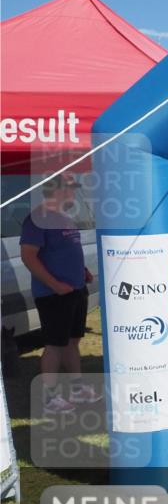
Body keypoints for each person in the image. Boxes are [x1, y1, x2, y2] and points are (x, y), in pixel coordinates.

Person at [19, 173, 98, 414]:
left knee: (72, 341)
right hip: (53, 295)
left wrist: (81, 270)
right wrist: (55, 285)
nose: (74, 194)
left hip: (75, 290)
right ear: (58, 191)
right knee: (53, 344)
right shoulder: (37, 219)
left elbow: (65, 252)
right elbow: (28, 256)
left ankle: (77, 388)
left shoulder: (65, 219)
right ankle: (49, 399)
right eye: (71, 189)